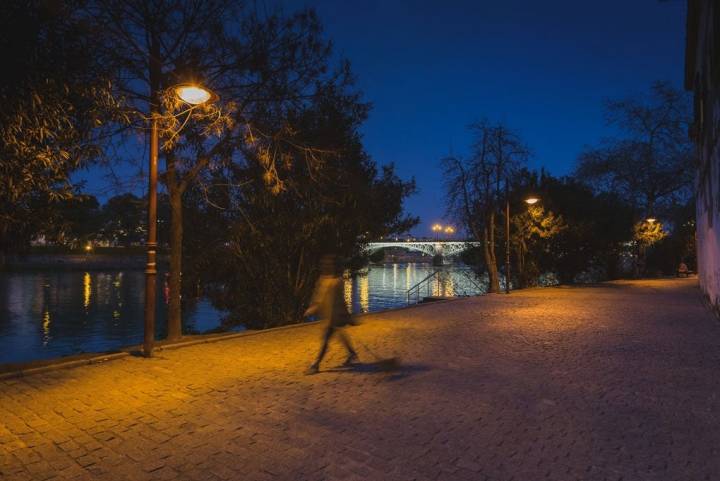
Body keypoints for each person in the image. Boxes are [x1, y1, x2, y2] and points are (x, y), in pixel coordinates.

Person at [305, 254, 358, 374]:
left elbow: (341, 300)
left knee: (325, 339)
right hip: (327, 315)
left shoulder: (337, 281)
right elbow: (318, 297)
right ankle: (352, 353)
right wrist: (313, 307)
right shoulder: (322, 279)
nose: (327, 266)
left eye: (329, 264)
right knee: (339, 333)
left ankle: (316, 364)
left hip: (334, 316)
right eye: (325, 264)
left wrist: (347, 316)